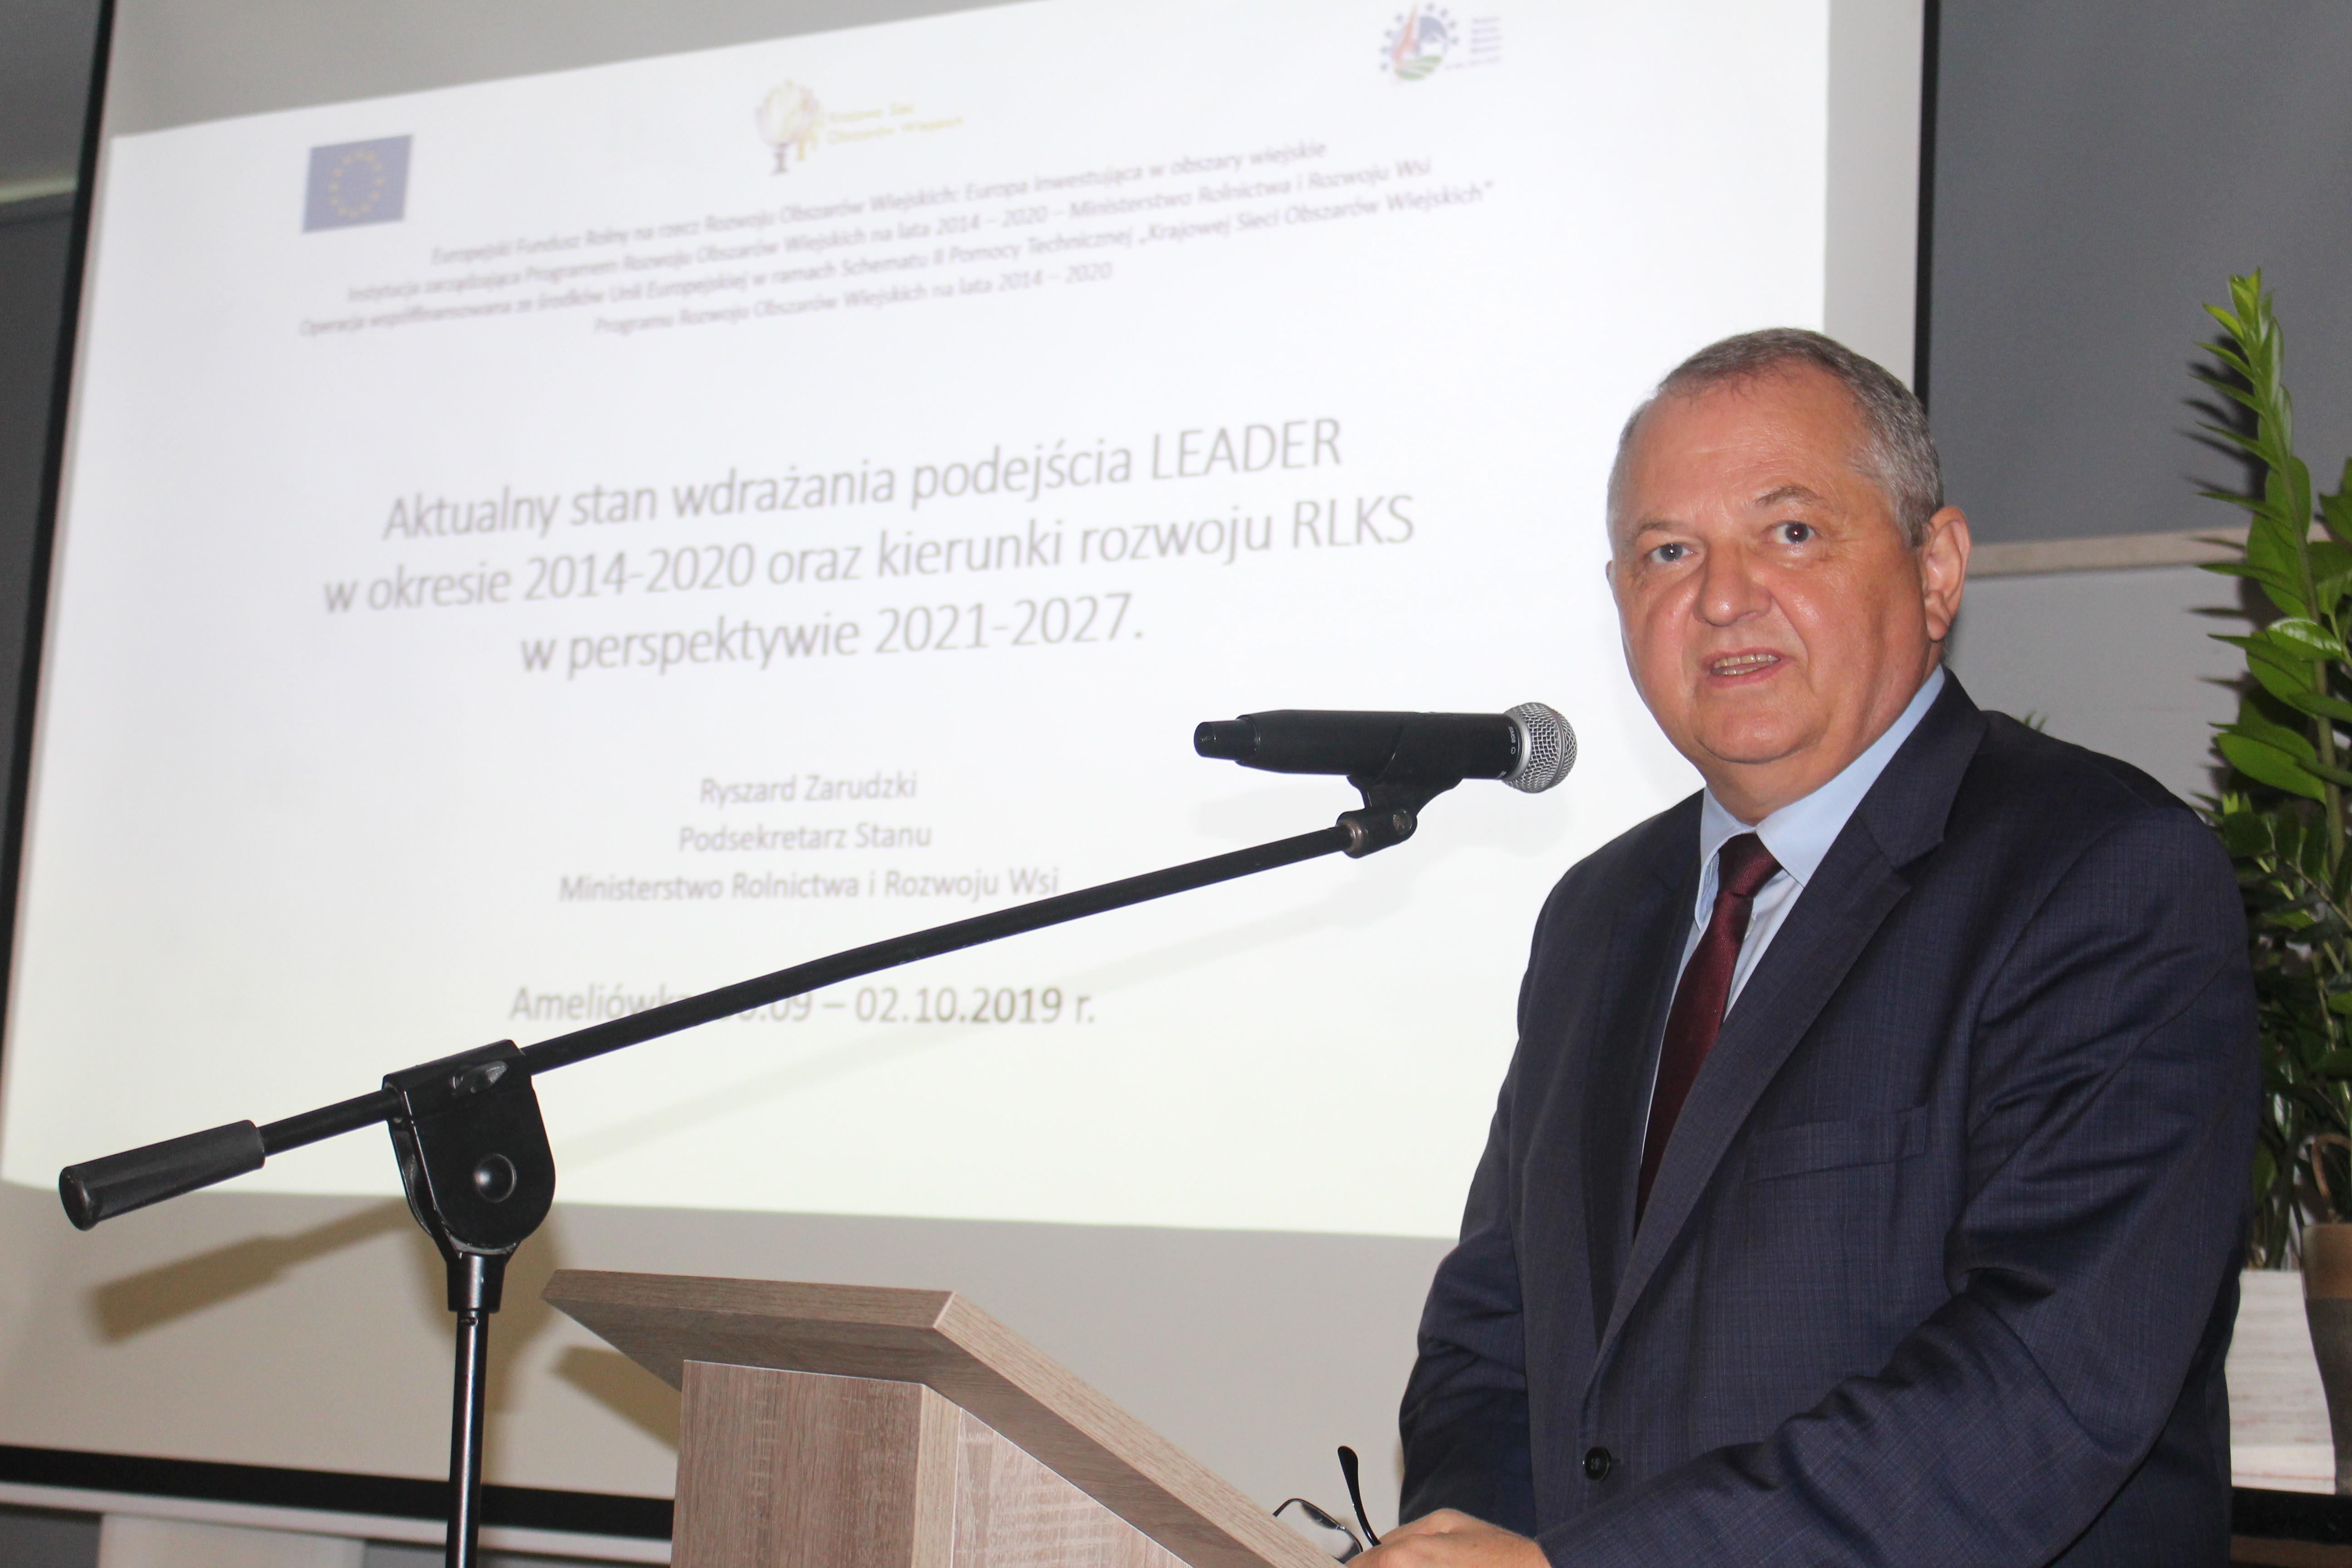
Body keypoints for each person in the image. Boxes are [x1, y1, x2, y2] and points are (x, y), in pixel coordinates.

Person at [1366, 330, 2257, 1567]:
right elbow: (1494, 1331)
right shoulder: (1598, 915)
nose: (1722, 596)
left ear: (1936, 569)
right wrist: (1477, 1539)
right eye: (1667, 552)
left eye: (1790, 533)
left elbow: (2046, 1379)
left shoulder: (2100, 875)